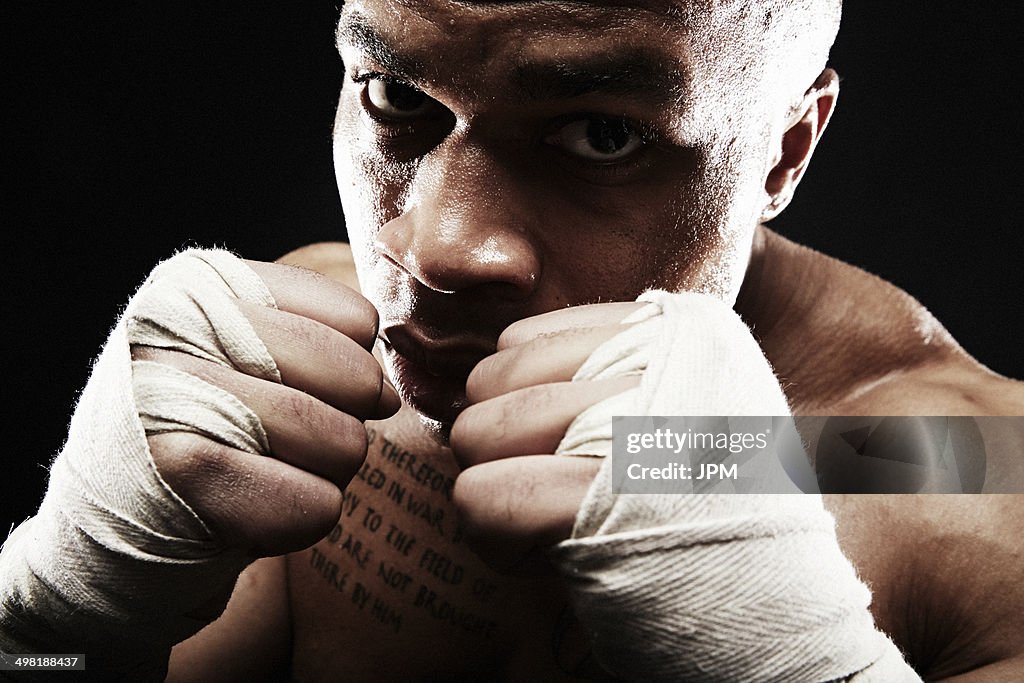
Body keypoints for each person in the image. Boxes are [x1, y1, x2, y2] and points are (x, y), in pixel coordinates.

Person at [3, 0, 1023, 680]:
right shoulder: (302, 366)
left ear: (784, 151)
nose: (440, 250)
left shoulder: (969, 477)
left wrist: (805, 660)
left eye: (601, 133)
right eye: (401, 100)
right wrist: (51, 611)